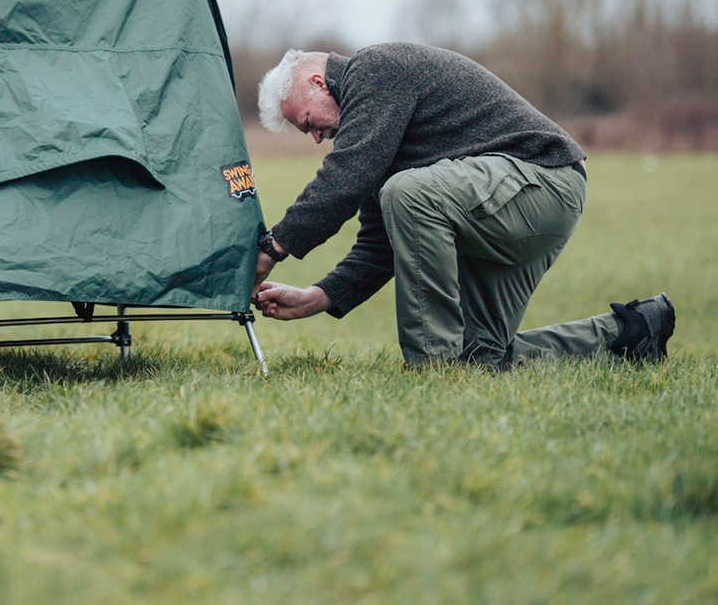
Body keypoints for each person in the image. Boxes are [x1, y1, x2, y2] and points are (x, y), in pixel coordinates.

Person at [251, 44, 675, 369]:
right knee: (480, 358)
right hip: (511, 206)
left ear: (318, 83)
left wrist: (272, 248)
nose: (316, 138)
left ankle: (432, 367)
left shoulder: (375, 71)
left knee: (409, 193)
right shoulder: (375, 128)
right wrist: (317, 298)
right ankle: (632, 333)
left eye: (307, 122)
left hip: (543, 183)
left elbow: (346, 180)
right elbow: (383, 241)